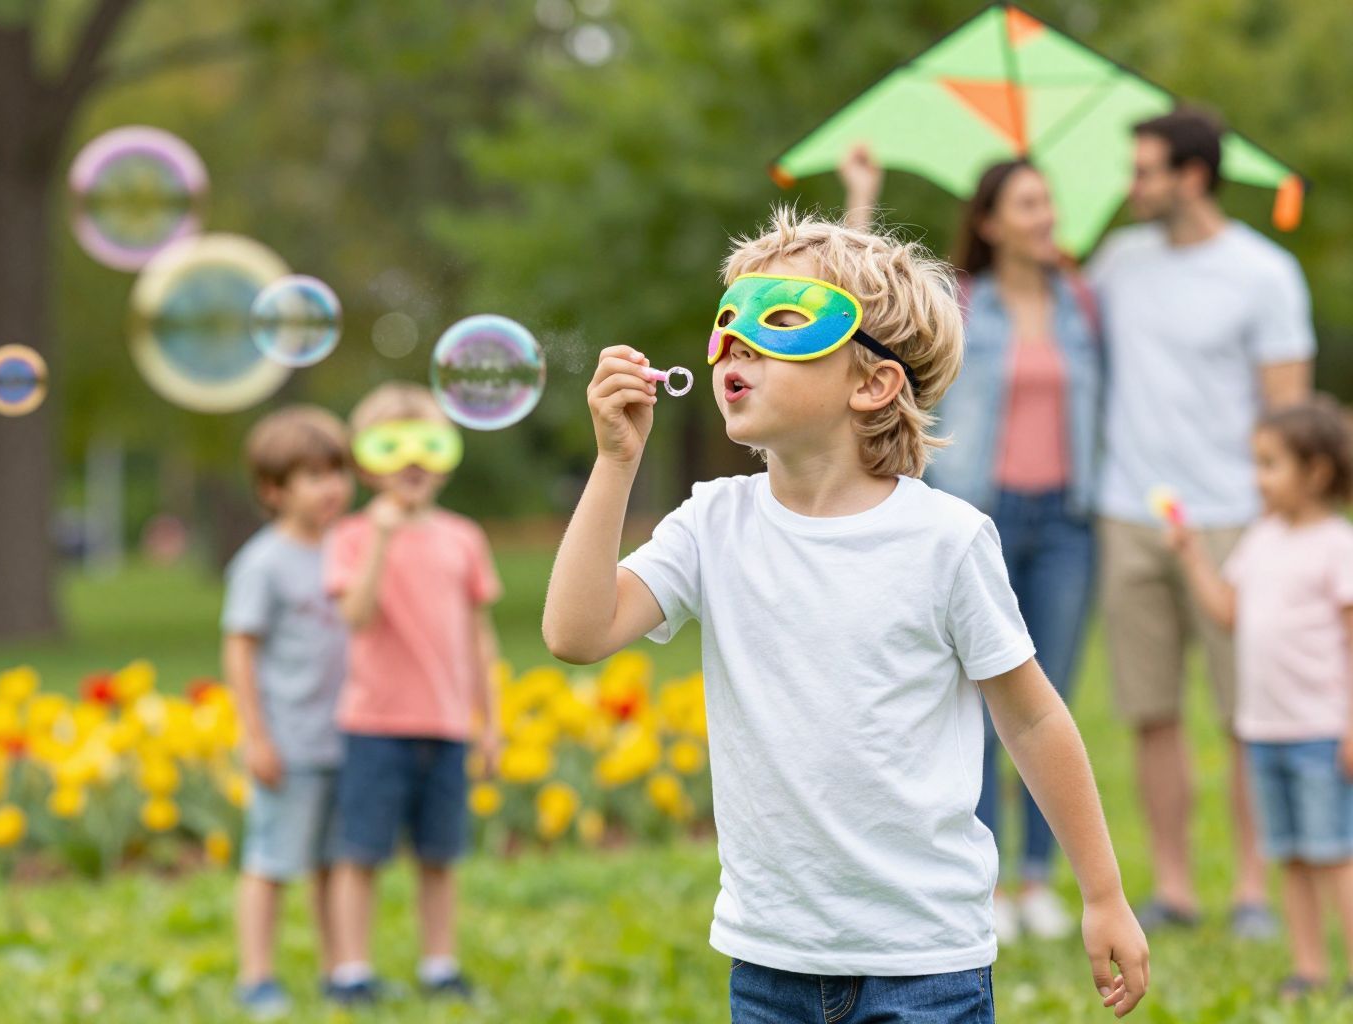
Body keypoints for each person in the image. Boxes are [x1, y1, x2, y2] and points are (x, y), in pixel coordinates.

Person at [543, 207, 1149, 1021]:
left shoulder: (945, 539)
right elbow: (575, 634)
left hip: (924, 959)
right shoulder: (711, 523)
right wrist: (616, 464)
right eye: (729, 326)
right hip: (771, 959)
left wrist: (1103, 893)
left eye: (780, 324)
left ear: (872, 382)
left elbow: (1035, 722)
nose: (735, 346)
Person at [842, 146, 1101, 943]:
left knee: (1046, 700)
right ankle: (986, 883)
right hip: (978, 516)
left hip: (1066, 520)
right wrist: (863, 198)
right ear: (989, 222)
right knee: (984, 705)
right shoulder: (959, 301)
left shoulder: (1082, 304)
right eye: (1026, 204)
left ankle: (1037, 879)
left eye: (1047, 201)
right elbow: (861, 313)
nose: (1044, 216)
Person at [1088, 108, 1316, 936]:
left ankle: (1254, 891)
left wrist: (1277, 528)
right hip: (1129, 513)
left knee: (1244, 711)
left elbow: (1289, 415)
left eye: (1146, 169)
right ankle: (1176, 889)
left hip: (1233, 522)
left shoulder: (1265, 273)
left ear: (1191, 175)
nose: (1132, 184)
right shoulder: (1118, 262)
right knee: (1151, 710)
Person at [324, 382, 503, 1006]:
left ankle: (439, 965)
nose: (412, 462)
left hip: (448, 724)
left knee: (439, 854)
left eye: (426, 445)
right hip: (374, 722)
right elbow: (354, 614)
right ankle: (349, 971)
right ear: (367, 464)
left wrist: (492, 720)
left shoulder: (463, 538)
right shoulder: (351, 536)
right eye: (392, 448)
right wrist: (380, 535)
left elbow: (482, 637)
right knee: (361, 852)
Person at [1172, 397, 1353, 1000]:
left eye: (1270, 463)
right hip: (1265, 730)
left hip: (1321, 731)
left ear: (1317, 472)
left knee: (1335, 856)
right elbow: (1228, 613)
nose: (1258, 477)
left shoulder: (1336, 545)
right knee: (1291, 856)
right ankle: (1309, 968)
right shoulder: (1262, 539)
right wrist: (1194, 556)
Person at [221, 405, 355, 1020]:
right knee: (272, 862)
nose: (333, 487)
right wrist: (257, 738)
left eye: (338, 472)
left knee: (333, 865)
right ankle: (257, 978)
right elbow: (240, 651)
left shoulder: (349, 549)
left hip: (347, 737)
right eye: (314, 476)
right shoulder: (263, 561)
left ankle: (338, 970)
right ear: (273, 491)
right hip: (290, 741)